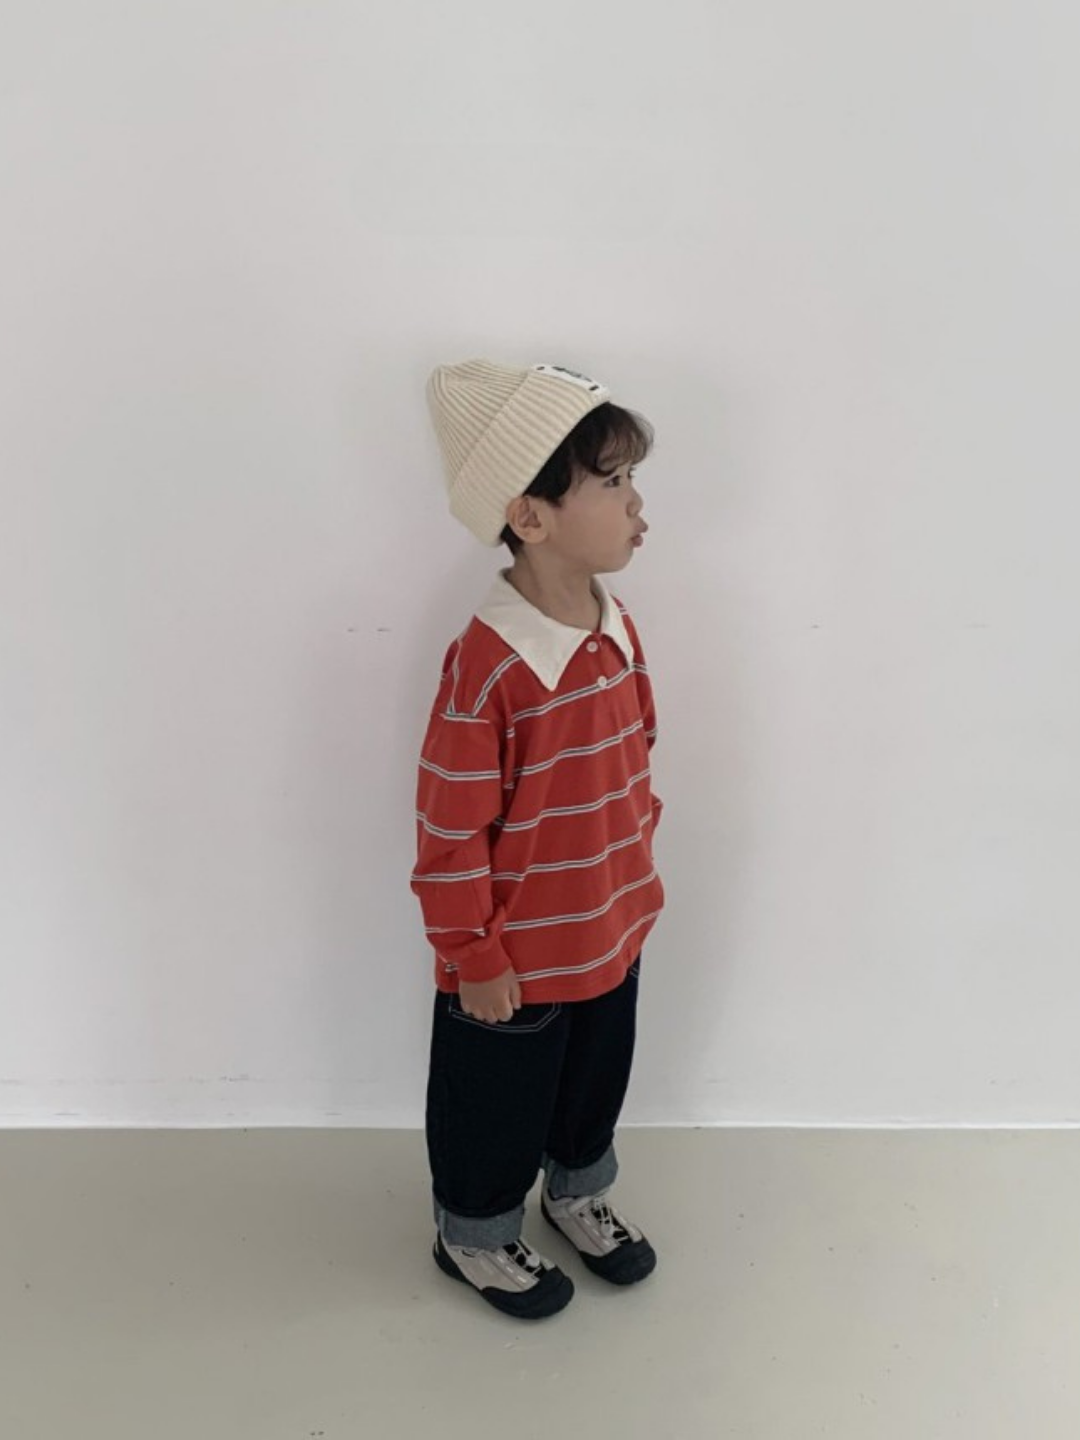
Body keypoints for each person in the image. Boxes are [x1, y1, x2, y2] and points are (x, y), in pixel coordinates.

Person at [411, 358, 666, 1319]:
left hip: (611, 922)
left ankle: (577, 1191)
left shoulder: (616, 625)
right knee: (494, 1102)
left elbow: (636, 756)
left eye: (632, 480)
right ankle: (473, 1232)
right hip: (511, 957)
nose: (638, 506)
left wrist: (636, 874)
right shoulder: (488, 670)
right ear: (530, 515)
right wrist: (472, 951)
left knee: (594, 1075)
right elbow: (448, 828)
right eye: (612, 483)